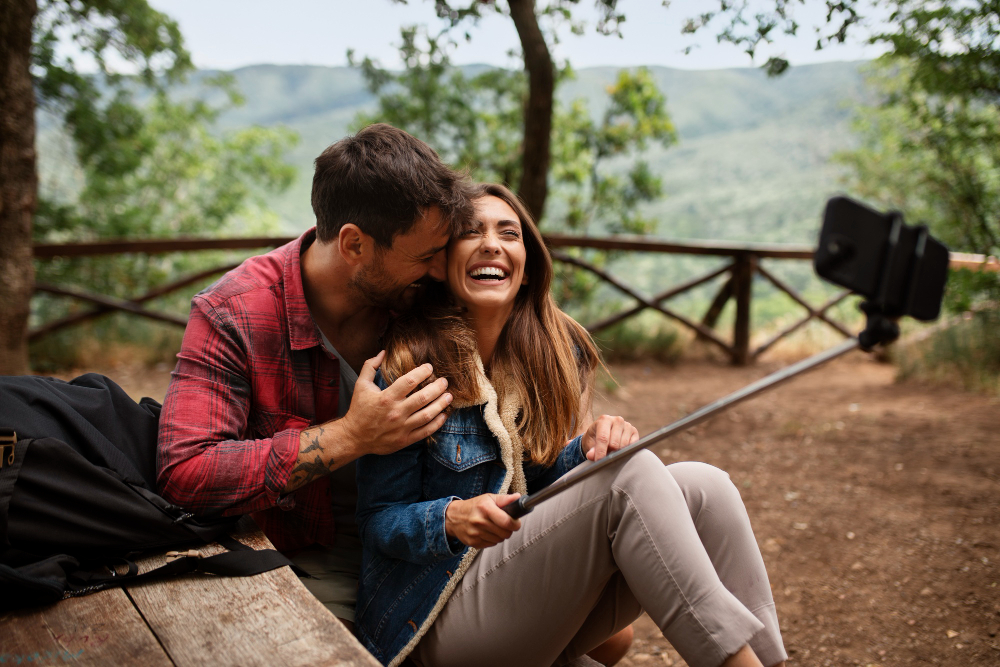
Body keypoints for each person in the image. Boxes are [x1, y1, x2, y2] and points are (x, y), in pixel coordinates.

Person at [354, 183, 788, 667]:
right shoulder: (411, 367)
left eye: (509, 233)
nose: (491, 243)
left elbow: (535, 484)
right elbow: (378, 520)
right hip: (429, 620)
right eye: (471, 232)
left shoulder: (550, 355)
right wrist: (450, 518)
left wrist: (586, 450)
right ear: (440, 263)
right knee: (631, 475)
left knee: (706, 486)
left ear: (527, 267)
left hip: (519, 587)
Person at [156, 123, 473, 623]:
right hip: (304, 561)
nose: (440, 270)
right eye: (425, 256)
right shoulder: (234, 312)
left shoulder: (424, 298)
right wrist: (352, 436)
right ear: (354, 245)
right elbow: (186, 472)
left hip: (435, 549)